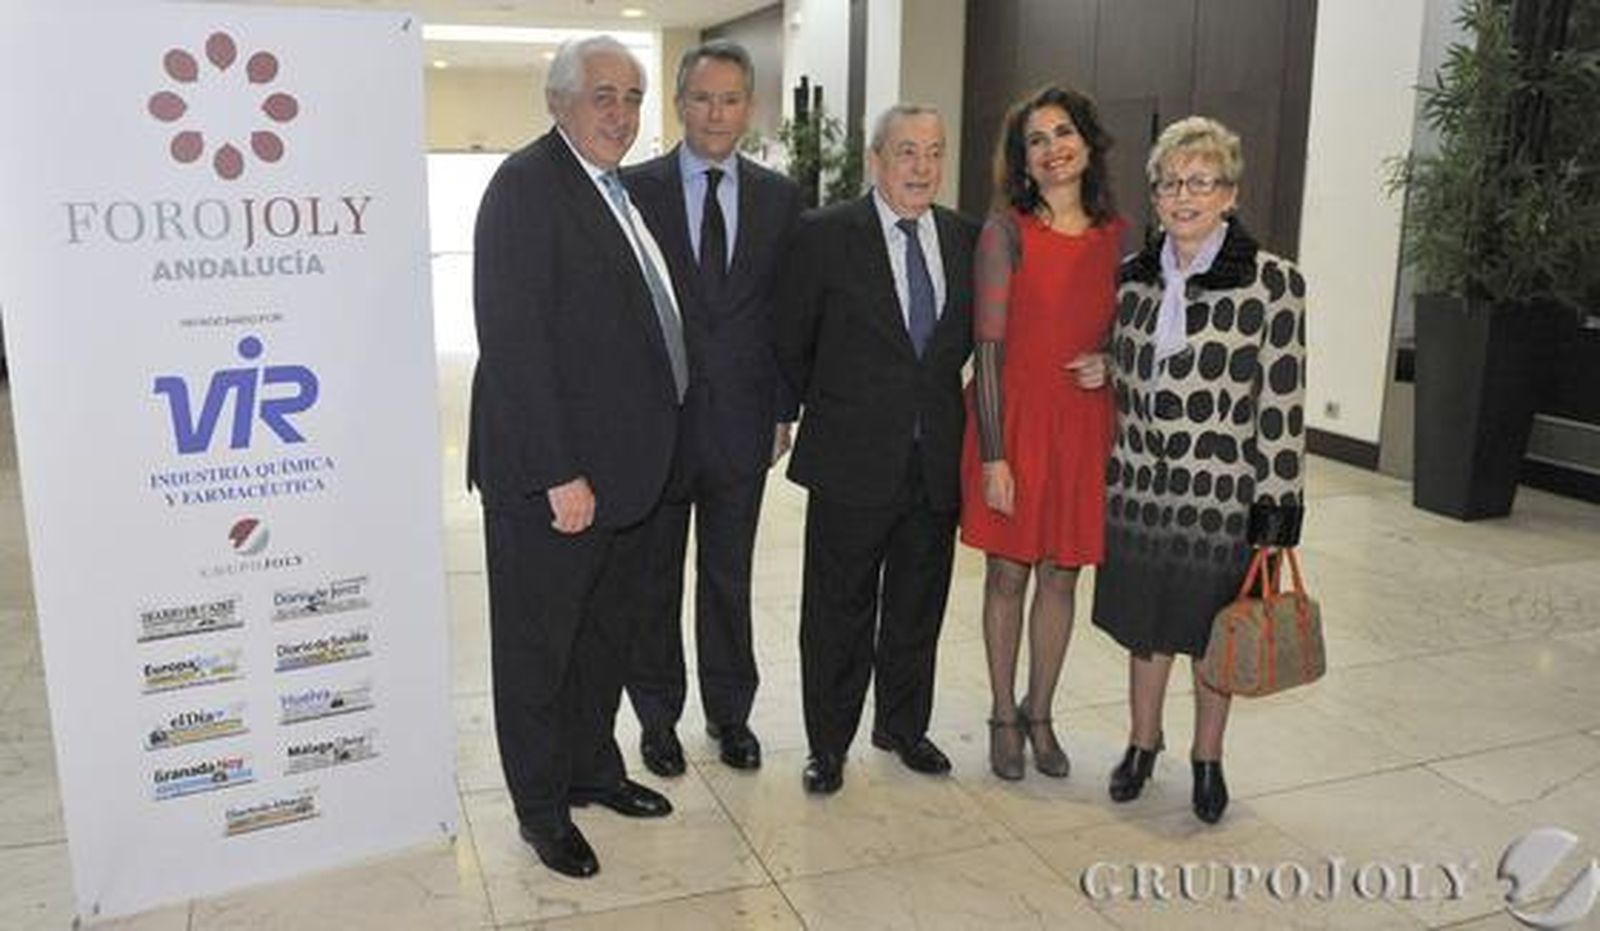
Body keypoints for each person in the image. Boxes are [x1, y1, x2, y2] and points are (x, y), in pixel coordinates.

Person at [467, 35, 686, 878]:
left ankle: (594, 770)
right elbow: (515, 342)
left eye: (632, 98)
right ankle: (541, 808)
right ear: (558, 102)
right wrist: (561, 471)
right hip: (554, 480)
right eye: (603, 96)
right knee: (538, 651)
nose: (621, 114)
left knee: (602, 638)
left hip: (624, 475)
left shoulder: (613, 189)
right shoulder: (526, 187)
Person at [1091, 116, 1307, 824]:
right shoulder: (1132, 277)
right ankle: (1141, 742)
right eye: (1171, 183)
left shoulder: (1274, 284)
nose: (1184, 195)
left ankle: (1207, 757)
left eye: (1201, 182)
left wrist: (1276, 516)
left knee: (1213, 634)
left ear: (1230, 194)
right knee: (1146, 628)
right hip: (1140, 490)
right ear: (1155, 195)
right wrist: (1107, 366)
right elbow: (1129, 368)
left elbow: (1281, 405)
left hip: (1222, 496)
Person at [776, 104, 978, 795]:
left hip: (934, 459)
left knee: (919, 601)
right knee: (837, 608)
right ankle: (827, 744)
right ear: (875, 159)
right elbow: (791, 341)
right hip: (851, 457)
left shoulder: (965, 238)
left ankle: (902, 725)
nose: (922, 166)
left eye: (933, 152)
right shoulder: (824, 235)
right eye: (906, 152)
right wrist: (810, 412)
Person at [621, 40, 803, 778]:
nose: (716, 113)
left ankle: (731, 714)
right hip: (656, 428)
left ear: (749, 107)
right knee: (654, 580)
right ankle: (658, 718)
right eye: (702, 98)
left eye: (730, 99)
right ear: (679, 104)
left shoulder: (780, 198)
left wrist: (784, 407)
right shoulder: (634, 190)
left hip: (742, 423)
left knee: (728, 576)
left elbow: (788, 316)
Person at [958, 85, 1122, 781]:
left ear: (1087, 142)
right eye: (1036, 140)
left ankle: (1041, 710)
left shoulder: (1117, 234)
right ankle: (1001, 712)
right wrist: (994, 453)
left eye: (1063, 133)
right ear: (1022, 159)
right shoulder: (1005, 232)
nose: (1053, 149)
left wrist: (1110, 360)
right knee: (1006, 572)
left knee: (1061, 574)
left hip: (1082, 423)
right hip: (1013, 418)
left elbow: (1125, 330)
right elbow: (987, 347)